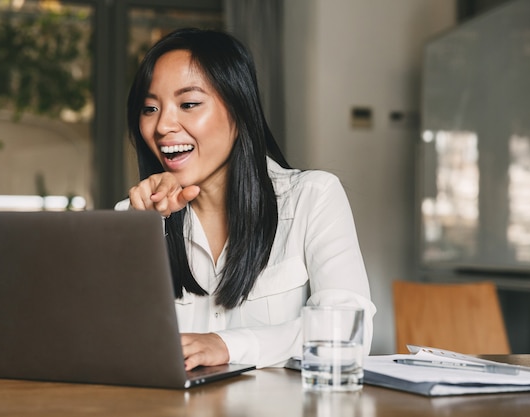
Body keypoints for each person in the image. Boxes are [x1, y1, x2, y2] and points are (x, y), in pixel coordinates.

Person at [115, 27, 376, 370]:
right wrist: (143, 236)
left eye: (189, 104)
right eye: (150, 108)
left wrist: (228, 346)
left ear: (239, 111)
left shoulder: (312, 198)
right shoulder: (135, 216)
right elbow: (113, 345)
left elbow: (348, 332)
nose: (163, 125)